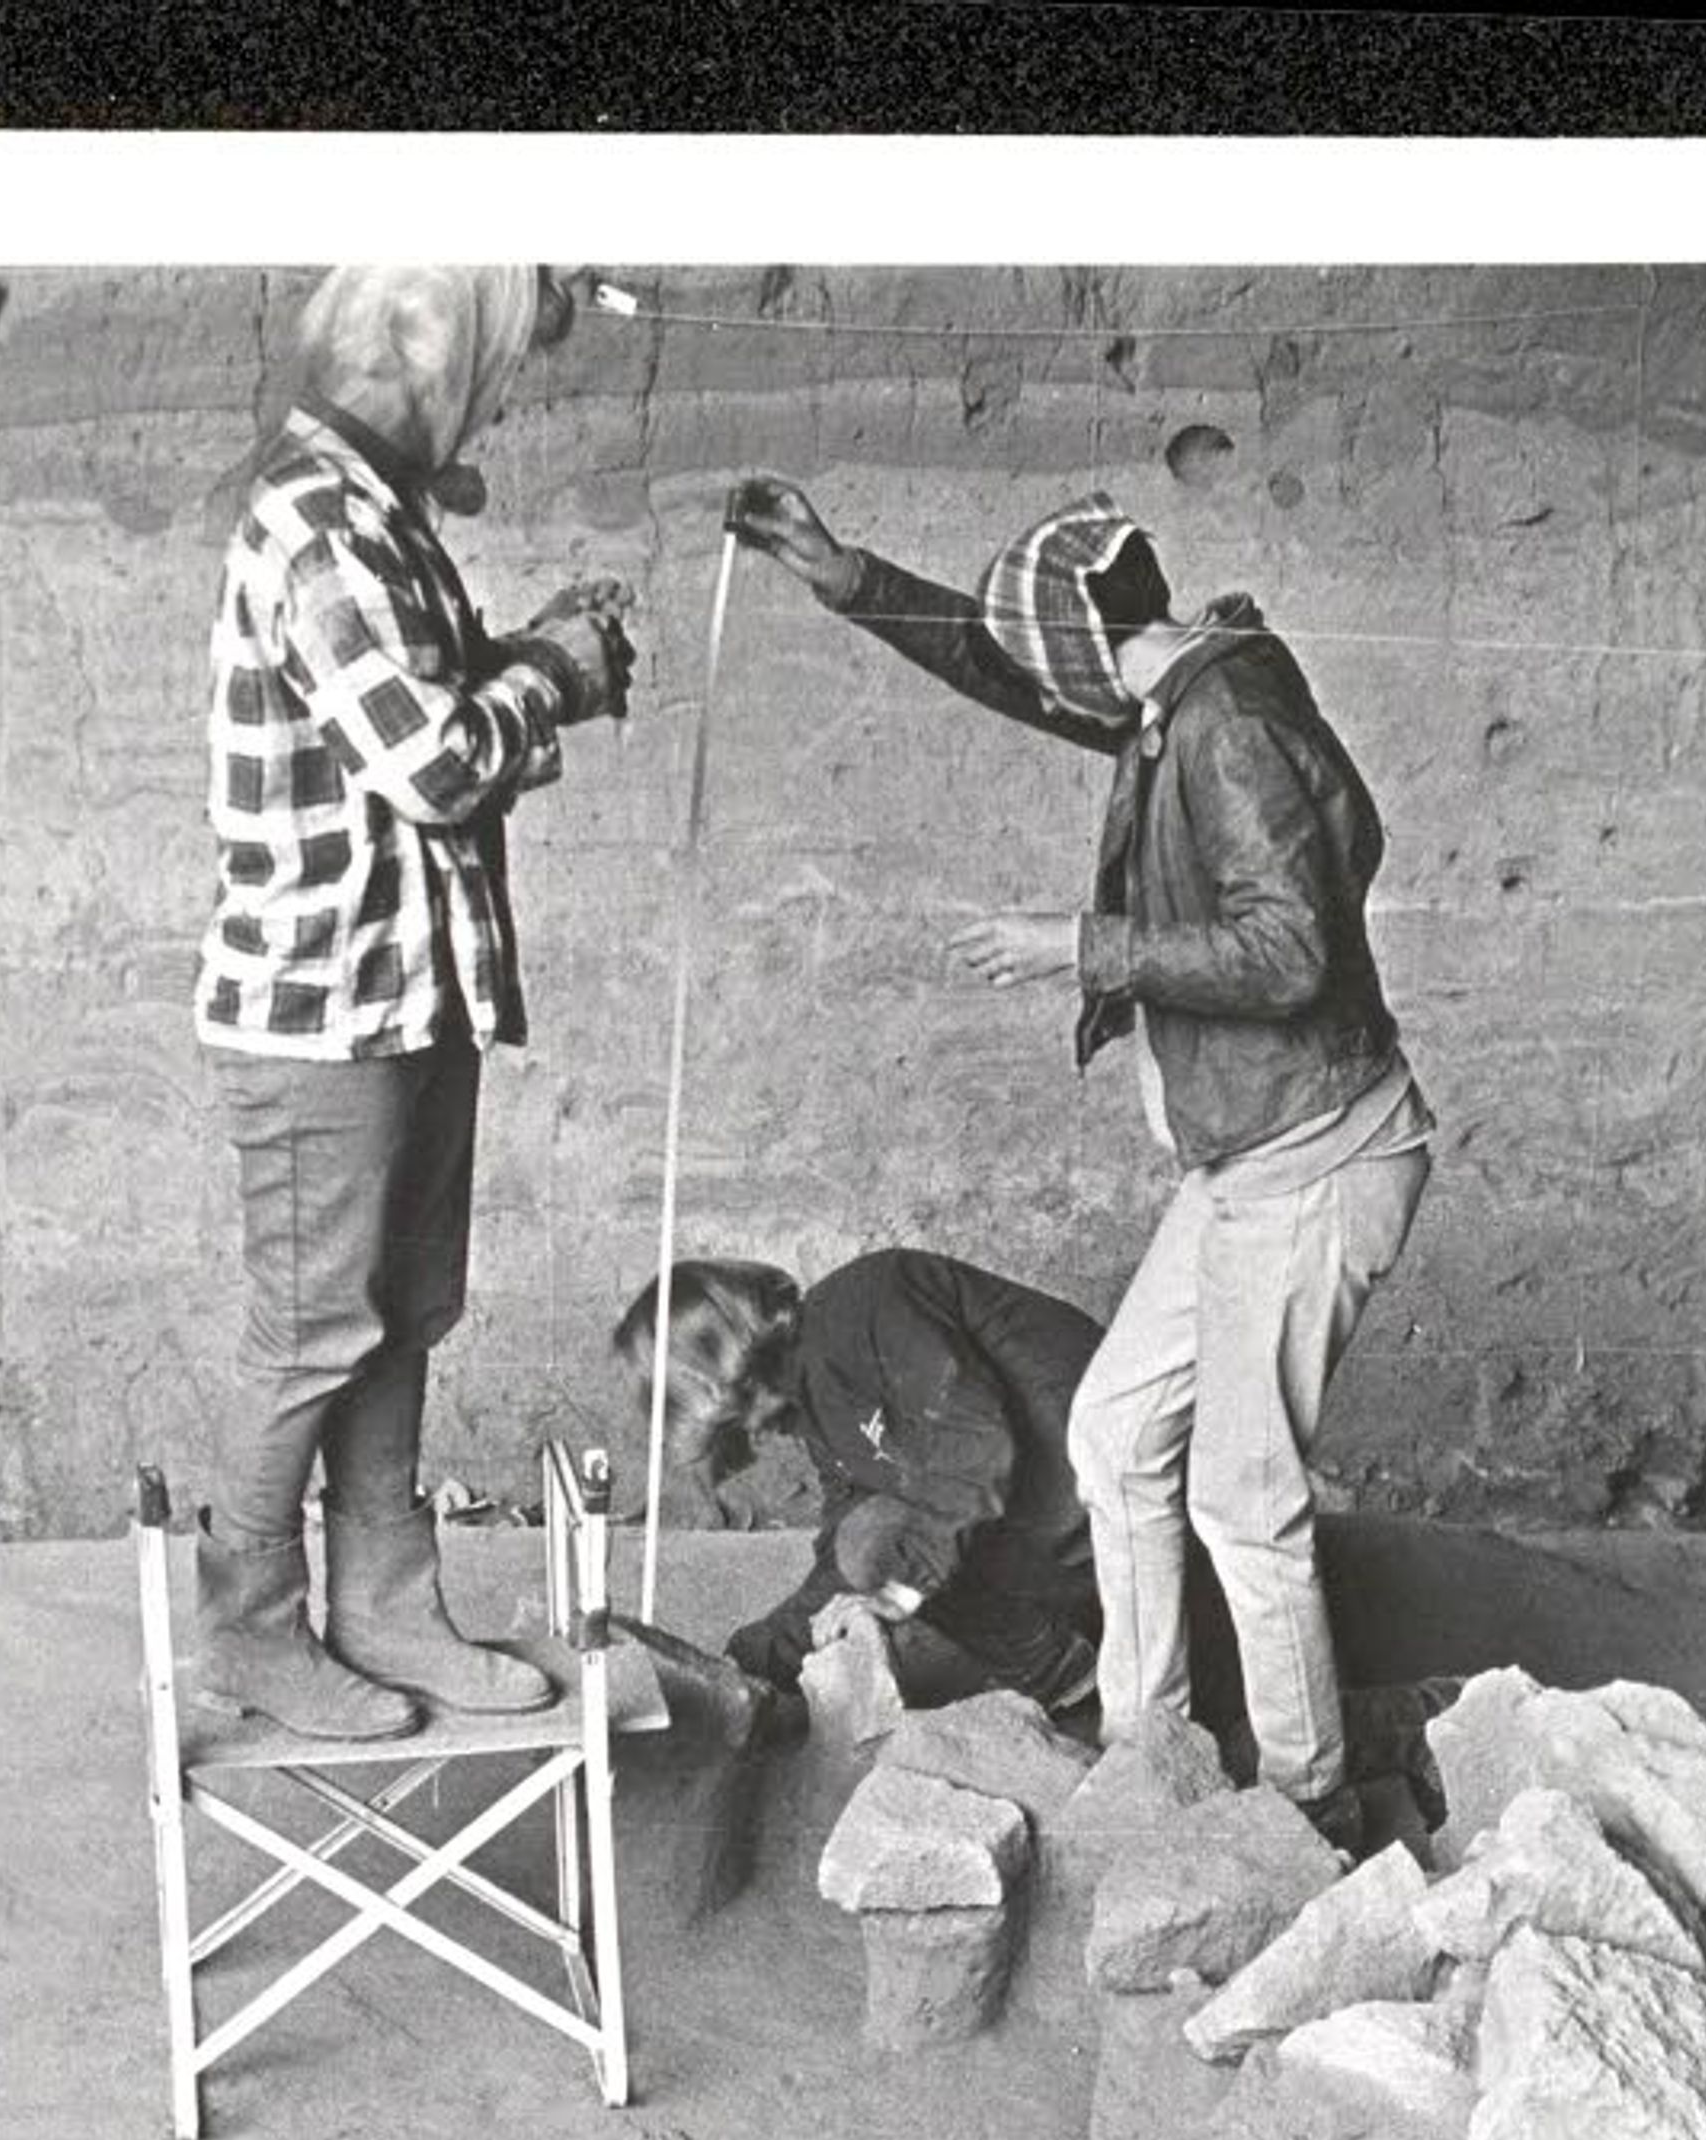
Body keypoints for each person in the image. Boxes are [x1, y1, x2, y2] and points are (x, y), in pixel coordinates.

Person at [721, 475, 1434, 1845]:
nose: (1048, 696)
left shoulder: (1225, 728)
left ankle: (1305, 1807)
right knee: (1117, 1434)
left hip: (1319, 1155)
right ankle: (1148, 1747)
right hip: (1242, 1163)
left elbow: (1293, 953)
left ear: (1091, 651)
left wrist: (1081, 946)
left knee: (1243, 1495)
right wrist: (849, 575)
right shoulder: (1169, 690)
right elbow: (1021, 672)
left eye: (1055, 669)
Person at [184, 265, 641, 1739]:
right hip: (322, 1016)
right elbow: (435, 766)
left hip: (405, 998)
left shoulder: (379, 515)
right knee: (315, 1332)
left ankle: (384, 1603)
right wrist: (553, 685)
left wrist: (525, 654)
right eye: (492, 373)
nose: (498, 401)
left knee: (401, 1316)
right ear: (418, 356)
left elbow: (406, 710)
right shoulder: (316, 522)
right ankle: (251, 1628)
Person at [617, 1251, 1114, 1716]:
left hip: (1114, 1494)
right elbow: (846, 1548)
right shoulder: (814, 1406)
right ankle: (1070, 1681)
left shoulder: (870, 1304)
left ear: (737, 1368)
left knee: (886, 1546)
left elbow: (975, 1452)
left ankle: (1065, 1669)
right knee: (866, 1542)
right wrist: (753, 1661)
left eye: (735, 1416)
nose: (751, 1433)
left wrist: (899, 1595)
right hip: (1058, 1530)